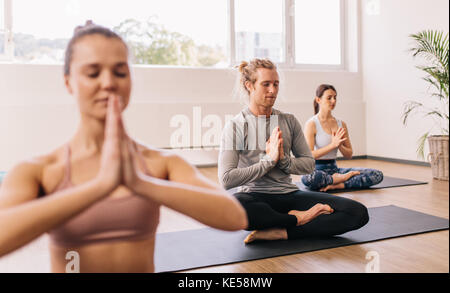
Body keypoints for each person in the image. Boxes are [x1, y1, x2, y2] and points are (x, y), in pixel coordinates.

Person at [0, 22, 247, 273]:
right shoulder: (40, 171)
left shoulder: (160, 163)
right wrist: (99, 187)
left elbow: (234, 217)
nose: (108, 83)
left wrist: (141, 183)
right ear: (68, 82)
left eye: (120, 72)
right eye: (93, 73)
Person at [218, 59, 369, 244]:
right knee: (236, 206)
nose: (273, 90)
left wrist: (282, 161)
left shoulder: (288, 121)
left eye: (276, 84)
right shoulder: (236, 126)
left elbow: (308, 164)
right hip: (255, 198)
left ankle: (281, 231)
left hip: (289, 195)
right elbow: (226, 179)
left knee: (357, 213)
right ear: (249, 85)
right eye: (266, 84)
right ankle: (297, 219)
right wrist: (268, 161)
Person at [301, 84, 383, 192]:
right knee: (307, 178)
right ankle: (335, 180)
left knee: (377, 175)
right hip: (316, 171)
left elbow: (349, 154)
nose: (333, 101)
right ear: (318, 100)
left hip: (335, 170)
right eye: (329, 98)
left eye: (335, 97)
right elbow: (309, 155)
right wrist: (332, 145)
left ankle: (338, 184)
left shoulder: (341, 124)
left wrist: (340, 146)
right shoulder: (312, 124)